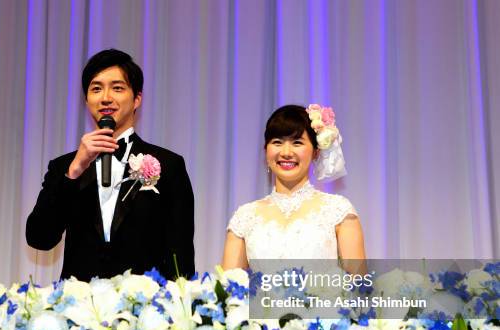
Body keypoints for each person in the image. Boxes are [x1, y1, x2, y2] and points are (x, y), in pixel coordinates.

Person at [26, 49, 195, 281]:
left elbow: (180, 253)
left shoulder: (168, 165)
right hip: (78, 308)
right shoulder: (64, 167)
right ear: (86, 100)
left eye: (117, 88)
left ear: (137, 98)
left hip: (145, 308)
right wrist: (74, 171)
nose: (105, 97)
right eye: (96, 89)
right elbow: (39, 238)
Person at [222, 104, 365, 270]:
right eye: (277, 142)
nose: (286, 152)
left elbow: (359, 287)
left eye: (297, 142)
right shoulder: (244, 216)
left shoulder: (339, 211)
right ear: (266, 151)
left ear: (316, 152)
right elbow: (229, 289)